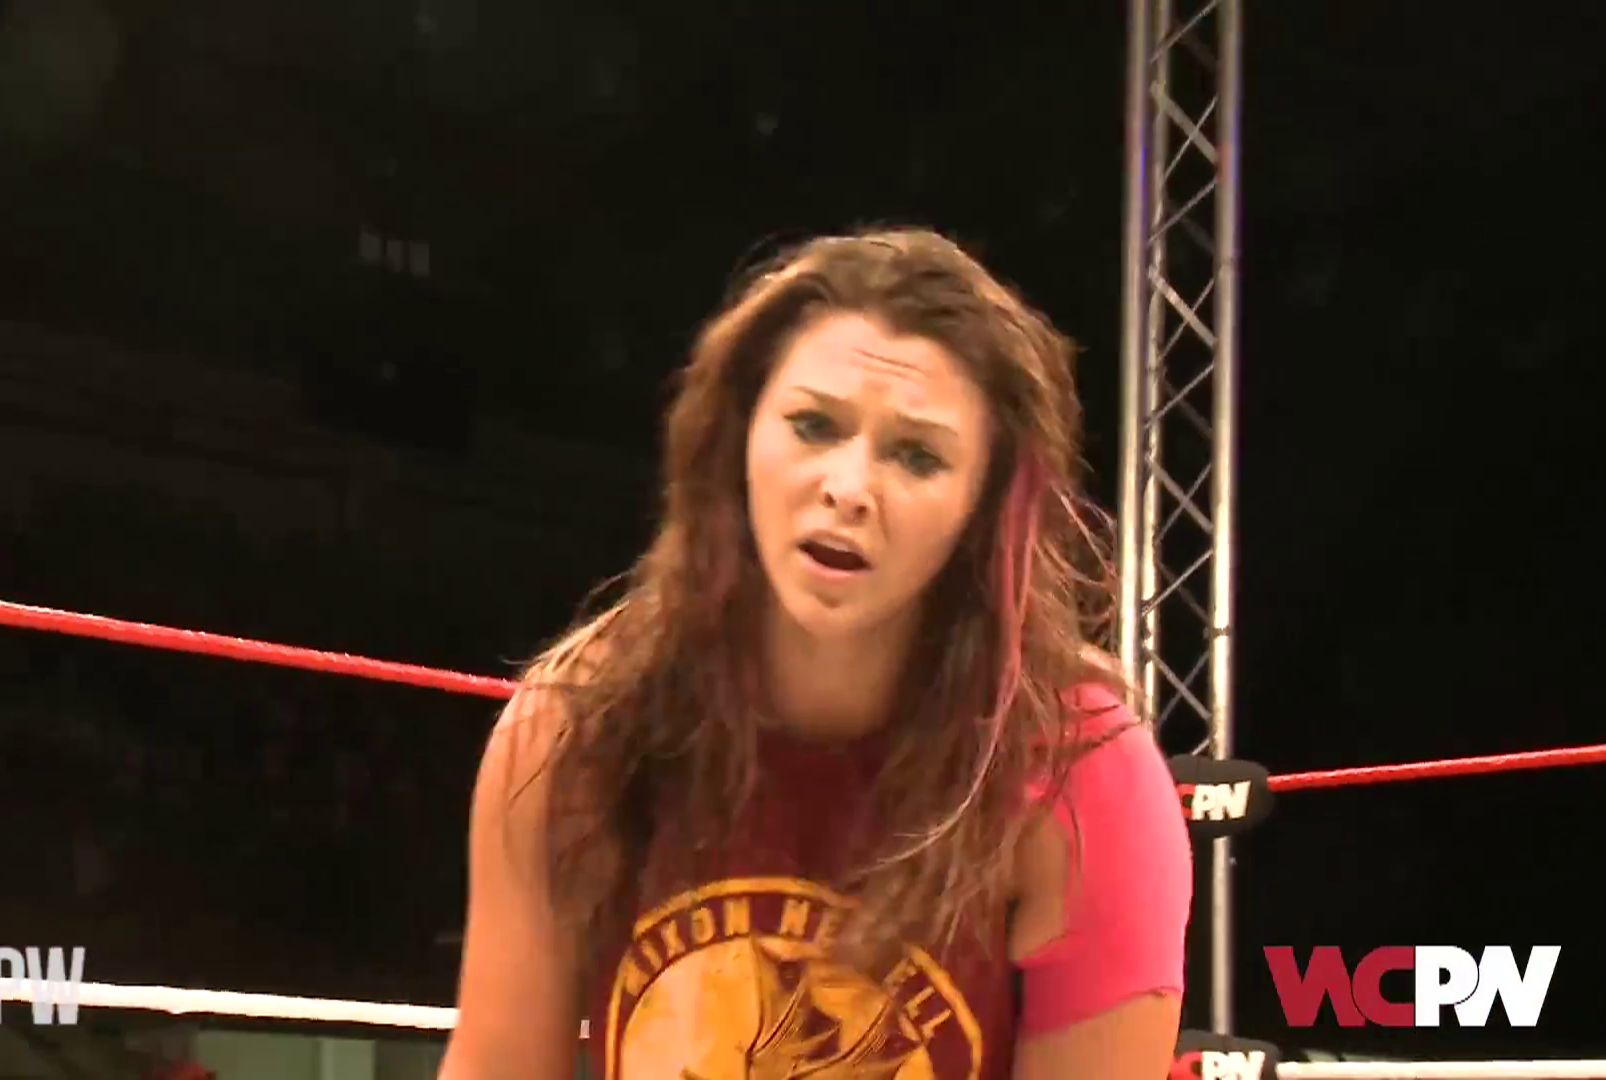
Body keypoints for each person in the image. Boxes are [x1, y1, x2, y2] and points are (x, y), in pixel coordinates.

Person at [440, 228, 1192, 1080]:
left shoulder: (1080, 777)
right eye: (813, 425)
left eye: (917, 455)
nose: (848, 488)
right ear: (736, 442)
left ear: (982, 511)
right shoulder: (577, 726)